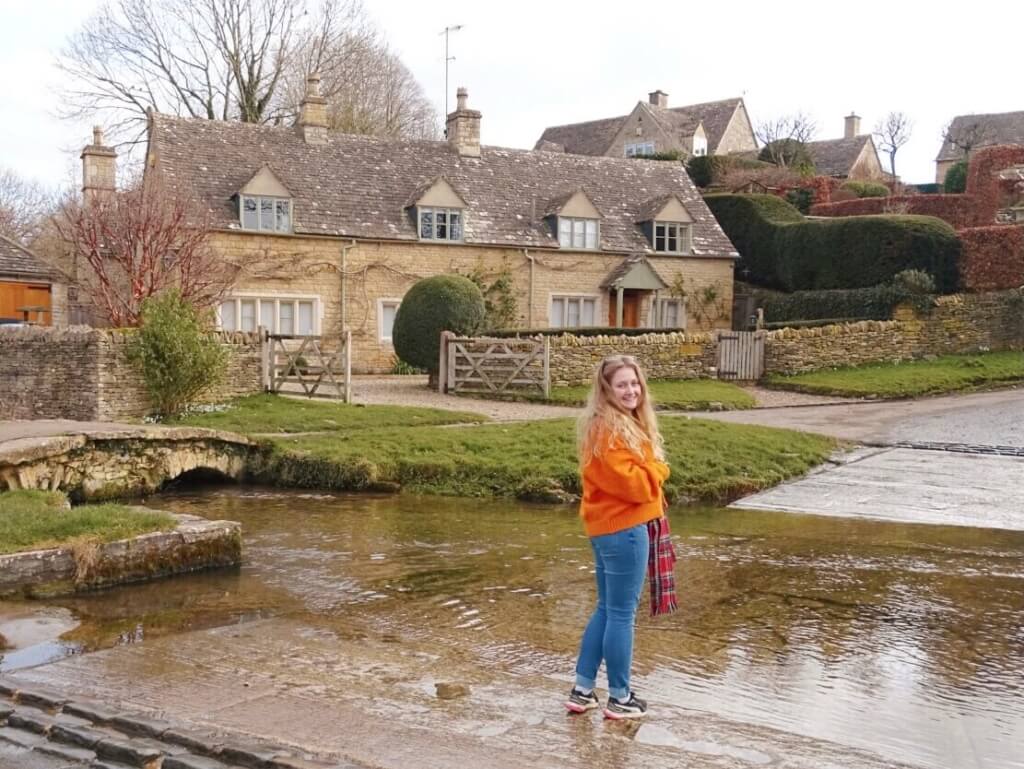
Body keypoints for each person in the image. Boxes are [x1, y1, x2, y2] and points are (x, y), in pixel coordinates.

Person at [565, 355, 674, 720]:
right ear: (607, 390)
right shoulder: (609, 429)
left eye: (635, 383)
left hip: (607, 529)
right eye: (622, 384)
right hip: (624, 531)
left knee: (607, 609)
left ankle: (582, 691)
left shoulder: (616, 424)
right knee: (622, 615)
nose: (631, 390)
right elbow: (636, 486)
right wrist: (660, 469)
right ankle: (620, 697)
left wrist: (650, 469)